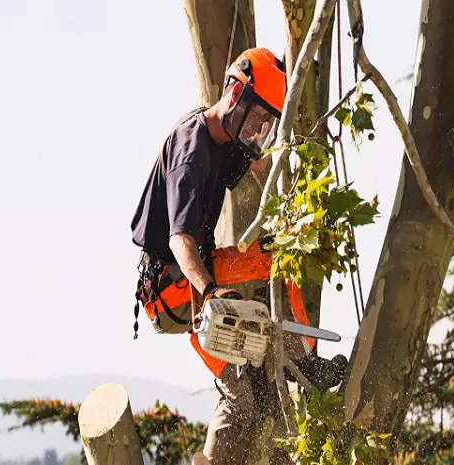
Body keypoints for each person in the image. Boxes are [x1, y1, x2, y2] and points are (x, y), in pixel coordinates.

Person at [130, 47, 288, 464]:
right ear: (235, 95)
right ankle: (300, 358)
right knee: (267, 258)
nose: (260, 130)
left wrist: (299, 145)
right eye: (258, 119)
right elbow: (181, 238)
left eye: (267, 124)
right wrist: (211, 292)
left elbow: (259, 165)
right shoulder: (192, 152)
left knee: (250, 394)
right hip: (175, 286)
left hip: (199, 278)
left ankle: (288, 364)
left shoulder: (228, 140)